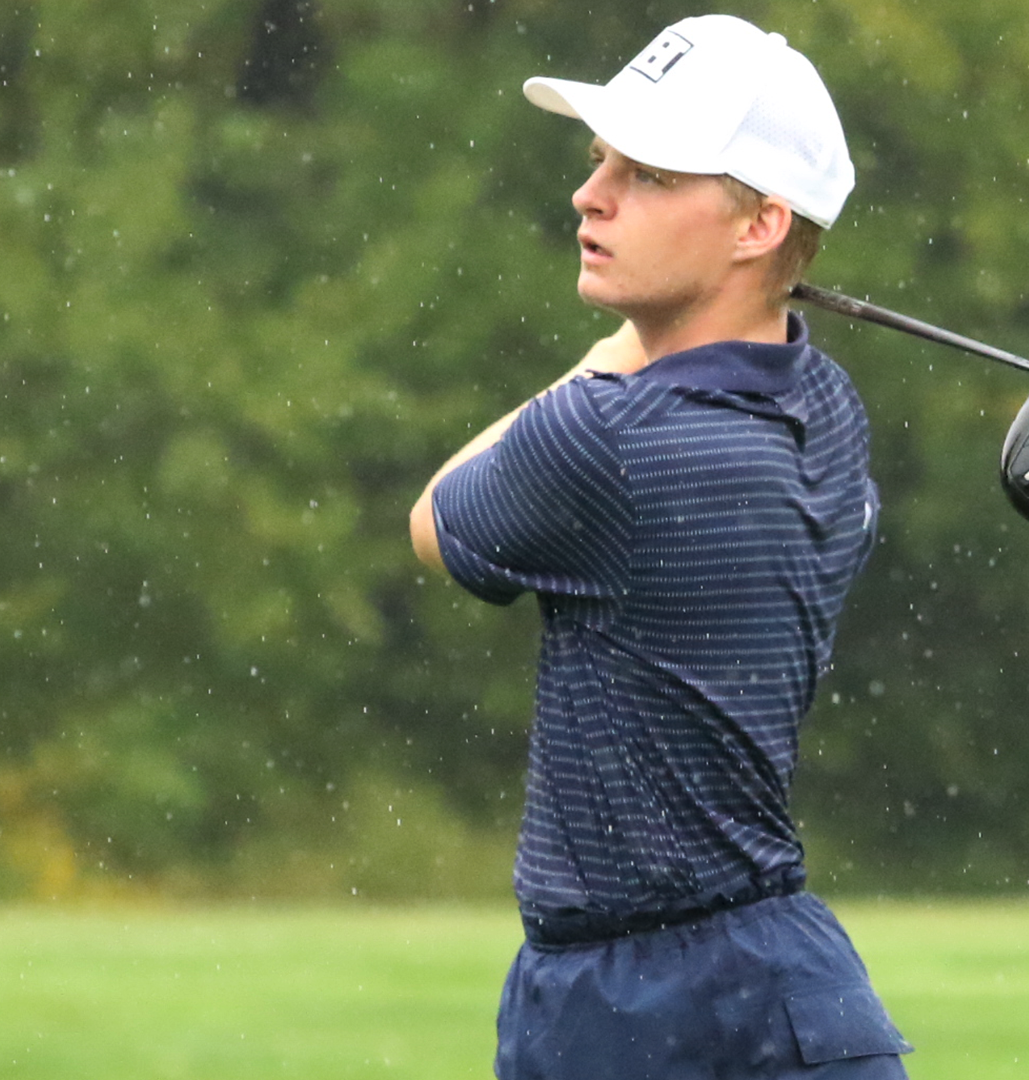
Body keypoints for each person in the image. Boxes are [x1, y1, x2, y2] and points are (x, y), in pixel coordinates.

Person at [409, 15, 911, 1079]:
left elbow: (437, 522)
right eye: (600, 163)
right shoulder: (828, 404)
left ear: (758, 224)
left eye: (642, 174)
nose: (590, 197)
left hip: (632, 1010)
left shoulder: (605, 433)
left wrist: (610, 356)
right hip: (800, 993)